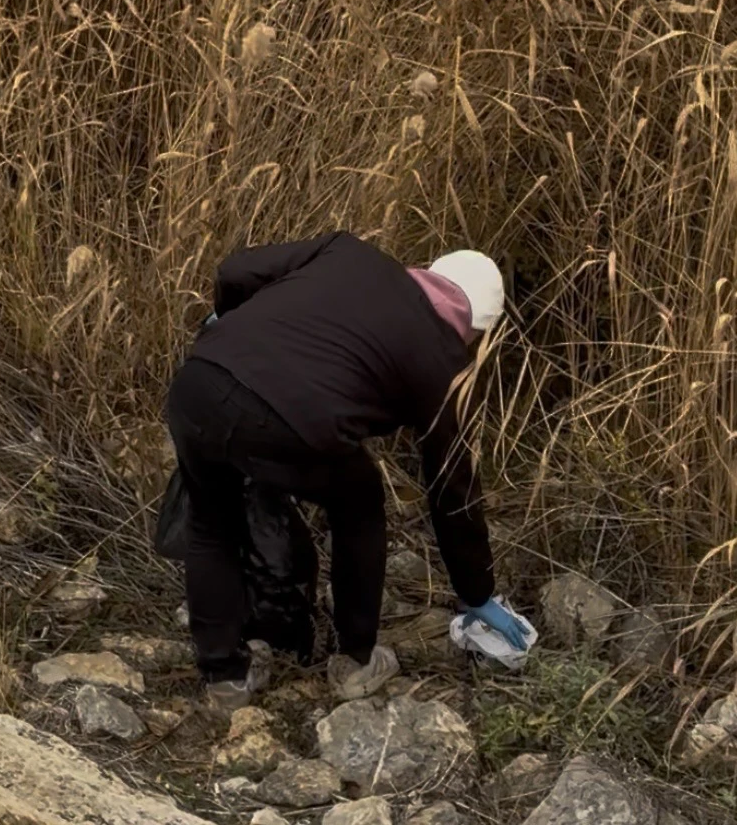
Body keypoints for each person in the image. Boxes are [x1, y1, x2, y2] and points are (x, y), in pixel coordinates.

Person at [163, 231, 531, 709]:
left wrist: (228, 319)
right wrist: (477, 593)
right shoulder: (445, 363)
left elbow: (234, 270)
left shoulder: (347, 251)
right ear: (478, 330)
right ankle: (355, 661)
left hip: (200, 382)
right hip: (285, 425)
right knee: (360, 501)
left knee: (211, 521)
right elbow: (451, 492)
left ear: (433, 272)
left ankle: (223, 678)